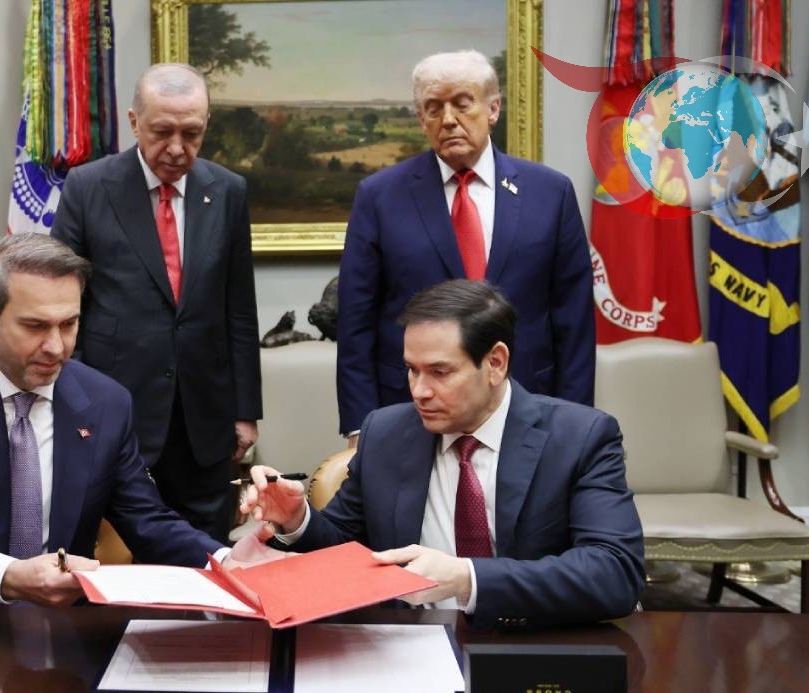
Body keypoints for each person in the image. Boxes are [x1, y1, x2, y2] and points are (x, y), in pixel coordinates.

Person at [243, 280, 644, 629]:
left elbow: (615, 573)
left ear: (495, 363)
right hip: (409, 645)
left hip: (533, 643)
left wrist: (468, 578)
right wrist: (296, 520)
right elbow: (344, 547)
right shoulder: (386, 433)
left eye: (439, 372)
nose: (419, 391)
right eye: (412, 370)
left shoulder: (579, 437)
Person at [0, 233, 255, 607]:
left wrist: (228, 562)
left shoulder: (106, 403)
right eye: (35, 326)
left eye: (68, 324)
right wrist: (9, 577)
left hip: (61, 619)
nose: (56, 347)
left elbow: (147, 520)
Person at [337, 50, 594, 446]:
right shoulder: (379, 196)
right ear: (421, 118)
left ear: (493, 109)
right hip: (411, 413)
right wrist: (360, 428)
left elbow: (573, 320)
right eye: (433, 108)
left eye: (462, 103)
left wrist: (575, 424)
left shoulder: (550, 193)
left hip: (530, 408)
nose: (448, 119)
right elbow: (355, 321)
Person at [52, 63, 262, 543]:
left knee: (204, 552)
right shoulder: (88, 187)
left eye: (192, 133)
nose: (177, 148)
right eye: (162, 131)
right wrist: (74, 401)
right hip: (114, 405)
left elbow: (239, 309)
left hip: (203, 418)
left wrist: (245, 410)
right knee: (116, 553)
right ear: (134, 122)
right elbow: (62, 304)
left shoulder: (228, 191)